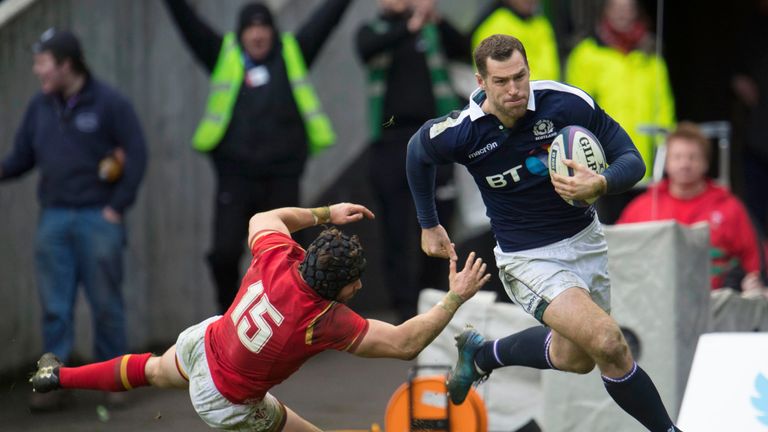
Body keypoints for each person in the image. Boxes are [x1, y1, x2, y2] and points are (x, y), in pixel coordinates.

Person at [406, 34, 682, 431]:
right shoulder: (462, 131)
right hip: (527, 257)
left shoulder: (565, 103)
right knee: (608, 343)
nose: (515, 89)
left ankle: (484, 355)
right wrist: (429, 224)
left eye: (520, 76)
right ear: (481, 82)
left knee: (578, 358)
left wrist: (600, 183)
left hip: (587, 242)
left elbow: (632, 159)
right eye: (501, 82)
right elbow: (417, 153)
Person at [30, 202, 491, 431]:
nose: (361, 289)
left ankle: (58, 375)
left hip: (203, 344)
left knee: (150, 368)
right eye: (356, 283)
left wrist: (326, 212)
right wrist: (454, 298)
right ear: (340, 290)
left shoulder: (278, 257)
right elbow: (405, 343)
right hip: (227, 400)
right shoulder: (325, 320)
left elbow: (263, 218)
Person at [162, 0, 353, 312]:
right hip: (234, 176)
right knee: (223, 252)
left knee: (292, 253)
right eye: (250, 28)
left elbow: (325, 20)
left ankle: (299, 319)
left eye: (263, 27)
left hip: (282, 176)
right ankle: (226, 318)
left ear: (272, 32)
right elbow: (189, 27)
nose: (257, 35)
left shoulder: (292, 53)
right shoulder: (223, 55)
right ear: (241, 34)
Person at [0, 28, 148, 409]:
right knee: (54, 307)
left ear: (67, 65)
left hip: (98, 218)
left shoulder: (110, 103)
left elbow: (137, 153)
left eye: (42, 62)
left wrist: (117, 206)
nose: (37, 71)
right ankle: (54, 384)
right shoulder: (40, 107)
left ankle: (114, 381)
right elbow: (21, 157)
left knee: (105, 304)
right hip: (53, 219)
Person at [355, 0, 470, 322]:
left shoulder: (432, 28)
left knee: (440, 218)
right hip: (391, 136)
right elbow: (366, 49)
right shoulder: (374, 30)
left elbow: (465, 47)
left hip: (434, 137)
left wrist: (436, 18)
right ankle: (403, 305)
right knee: (395, 226)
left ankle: (431, 294)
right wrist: (409, 26)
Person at [617, 122, 766, 293]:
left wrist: (753, 283)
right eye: (678, 157)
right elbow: (618, 257)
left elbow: (754, 264)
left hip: (716, 309)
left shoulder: (730, 207)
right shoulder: (642, 207)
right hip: (653, 305)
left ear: (705, 163)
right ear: (667, 162)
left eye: (692, 157)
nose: (685, 164)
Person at [566, 0, 675, 224]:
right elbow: (576, 109)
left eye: (628, 9)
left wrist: (667, 151)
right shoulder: (586, 53)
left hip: (646, 164)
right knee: (609, 231)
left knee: (644, 229)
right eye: (617, 8)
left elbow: (664, 108)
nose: (623, 15)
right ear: (605, 12)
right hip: (603, 163)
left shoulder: (651, 55)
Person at [732, 0, 768, 236]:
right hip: (758, 136)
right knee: (756, 207)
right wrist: (737, 80)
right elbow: (732, 70)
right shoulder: (751, 29)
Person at [471, 0, 560, 81]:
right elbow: (497, 75)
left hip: (545, 91)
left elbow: (551, 68)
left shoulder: (542, 25)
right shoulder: (494, 26)